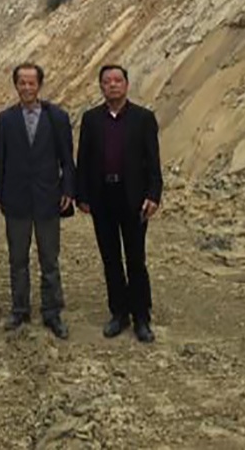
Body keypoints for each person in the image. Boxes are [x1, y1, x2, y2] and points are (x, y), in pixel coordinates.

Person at [76, 65, 163, 343]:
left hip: (134, 198)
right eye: (107, 81)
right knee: (110, 259)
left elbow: (153, 162)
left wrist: (153, 195)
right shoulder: (91, 119)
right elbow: (83, 160)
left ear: (126, 84)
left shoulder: (143, 118)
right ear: (101, 86)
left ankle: (141, 317)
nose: (112, 85)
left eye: (117, 80)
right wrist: (82, 195)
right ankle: (119, 313)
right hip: (102, 197)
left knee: (136, 259)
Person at [0, 63, 75, 340]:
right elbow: (1, 160)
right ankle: (20, 310)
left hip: (48, 198)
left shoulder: (57, 117)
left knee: (49, 260)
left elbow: (67, 159)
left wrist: (68, 190)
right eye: (22, 83)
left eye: (32, 83)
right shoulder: (5, 119)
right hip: (16, 199)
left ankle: (52, 312)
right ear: (16, 85)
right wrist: (0, 195)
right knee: (17, 259)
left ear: (39, 85)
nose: (27, 88)